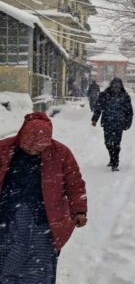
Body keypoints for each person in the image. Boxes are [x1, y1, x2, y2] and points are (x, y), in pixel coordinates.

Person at [0, 112, 88, 283]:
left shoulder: (60, 153)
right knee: (5, 261)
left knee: (39, 268)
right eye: (29, 146)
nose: (33, 151)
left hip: (44, 220)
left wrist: (79, 210)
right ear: (21, 136)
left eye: (38, 148)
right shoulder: (4, 149)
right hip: (7, 218)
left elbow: (74, 183)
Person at [92, 77, 133, 172]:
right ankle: (112, 157)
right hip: (107, 122)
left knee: (116, 144)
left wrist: (128, 122)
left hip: (119, 123)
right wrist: (94, 119)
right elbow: (98, 107)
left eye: (118, 87)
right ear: (111, 86)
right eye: (114, 87)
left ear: (121, 87)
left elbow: (129, 111)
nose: (116, 89)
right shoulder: (104, 95)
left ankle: (115, 163)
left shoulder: (125, 97)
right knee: (107, 143)